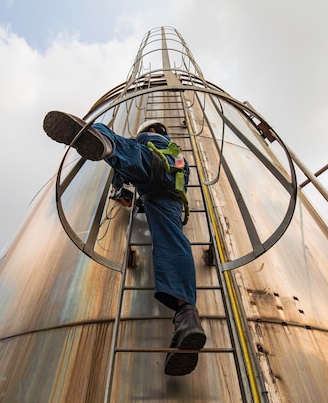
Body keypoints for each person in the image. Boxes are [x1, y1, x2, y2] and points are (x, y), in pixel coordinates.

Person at [43, 111, 206, 376]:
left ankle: (99, 136)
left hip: (152, 170)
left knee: (120, 148)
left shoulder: (147, 139)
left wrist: (119, 186)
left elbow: (135, 163)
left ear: (149, 130)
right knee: (173, 242)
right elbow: (171, 179)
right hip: (171, 196)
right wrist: (138, 203)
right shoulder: (177, 151)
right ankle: (187, 316)